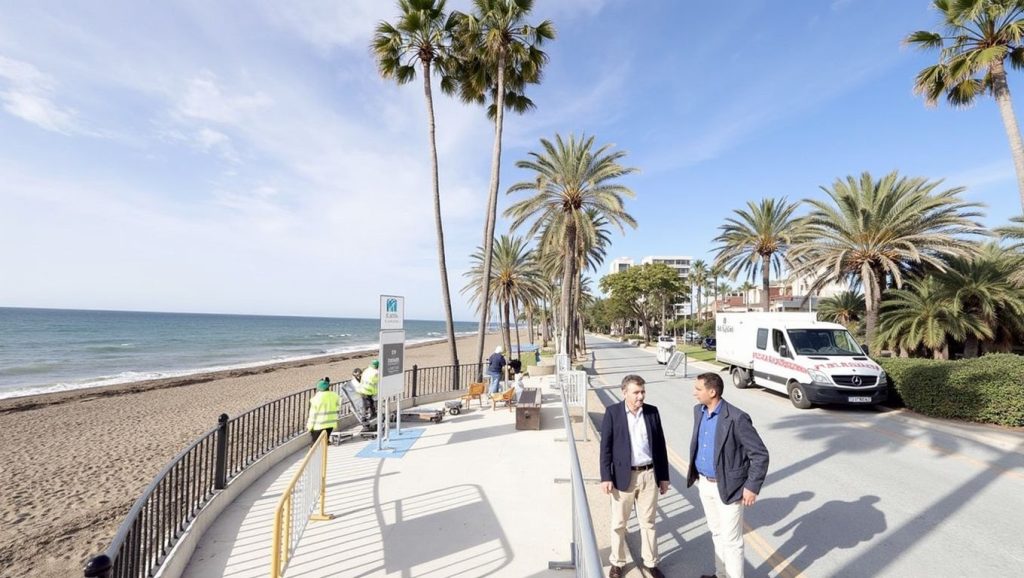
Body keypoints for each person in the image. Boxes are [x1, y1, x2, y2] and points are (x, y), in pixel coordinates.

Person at [686, 372, 770, 578]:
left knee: (732, 542)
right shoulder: (699, 411)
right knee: (716, 533)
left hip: (729, 488)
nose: (694, 393)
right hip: (704, 483)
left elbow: (760, 454)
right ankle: (721, 574)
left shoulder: (737, 418)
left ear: (712, 392)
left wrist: (751, 486)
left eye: (698, 389)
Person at [599, 375, 670, 578]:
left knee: (648, 522)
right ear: (625, 393)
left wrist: (663, 477)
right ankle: (617, 562)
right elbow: (605, 449)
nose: (640, 396)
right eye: (636, 392)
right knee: (619, 523)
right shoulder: (613, 413)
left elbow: (660, 446)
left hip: (649, 474)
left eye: (643, 392)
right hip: (623, 476)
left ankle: (650, 562)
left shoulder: (652, 412)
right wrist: (606, 477)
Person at [306, 377, 340, 445]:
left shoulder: (315, 399)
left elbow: (312, 415)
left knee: (315, 445)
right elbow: (338, 407)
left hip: (319, 425)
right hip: (330, 424)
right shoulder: (335, 395)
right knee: (324, 444)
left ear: (318, 388)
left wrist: (309, 427)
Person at [357, 359, 380, 426]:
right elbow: (377, 380)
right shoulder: (376, 372)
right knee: (367, 405)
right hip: (368, 391)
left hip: (363, 389)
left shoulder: (366, 370)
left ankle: (373, 414)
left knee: (370, 403)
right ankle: (364, 418)